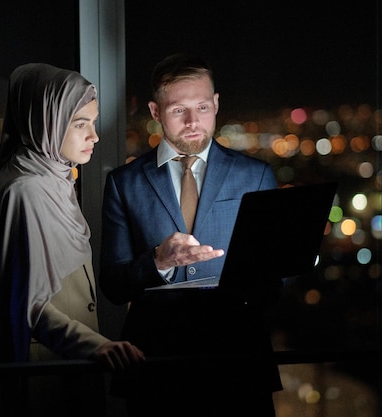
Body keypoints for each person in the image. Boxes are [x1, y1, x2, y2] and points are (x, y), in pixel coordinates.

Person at [100, 53, 283, 416]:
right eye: (178, 110)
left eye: (202, 106)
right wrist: (158, 262)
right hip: (156, 365)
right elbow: (113, 283)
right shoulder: (124, 183)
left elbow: (275, 279)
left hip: (238, 360)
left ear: (216, 104)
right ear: (155, 112)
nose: (193, 121)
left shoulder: (256, 176)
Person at [0, 63, 145, 417]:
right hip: (43, 378)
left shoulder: (52, 181)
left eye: (93, 123)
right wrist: (97, 346)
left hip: (64, 368)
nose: (94, 136)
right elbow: (29, 306)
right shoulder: (26, 191)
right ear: (46, 121)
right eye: (80, 123)